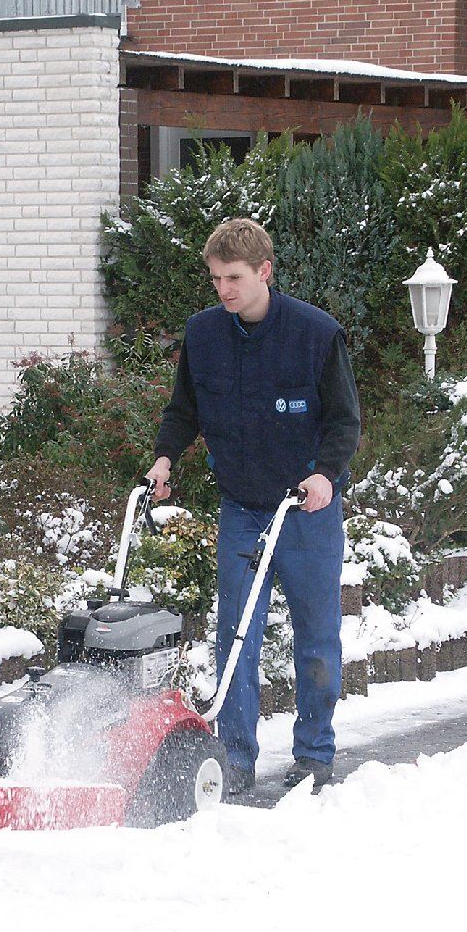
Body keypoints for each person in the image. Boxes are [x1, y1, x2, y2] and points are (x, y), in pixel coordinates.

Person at [145, 218, 361, 793]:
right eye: (215, 279)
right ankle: (235, 758)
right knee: (236, 634)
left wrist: (325, 476)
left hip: (305, 512)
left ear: (264, 271)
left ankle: (314, 753)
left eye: (233, 278)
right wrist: (165, 458)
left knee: (316, 632)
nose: (223, 290)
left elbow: (345, 420)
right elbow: (183, 409)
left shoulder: (316, 334)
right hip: (242, 508)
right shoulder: (204, 335)